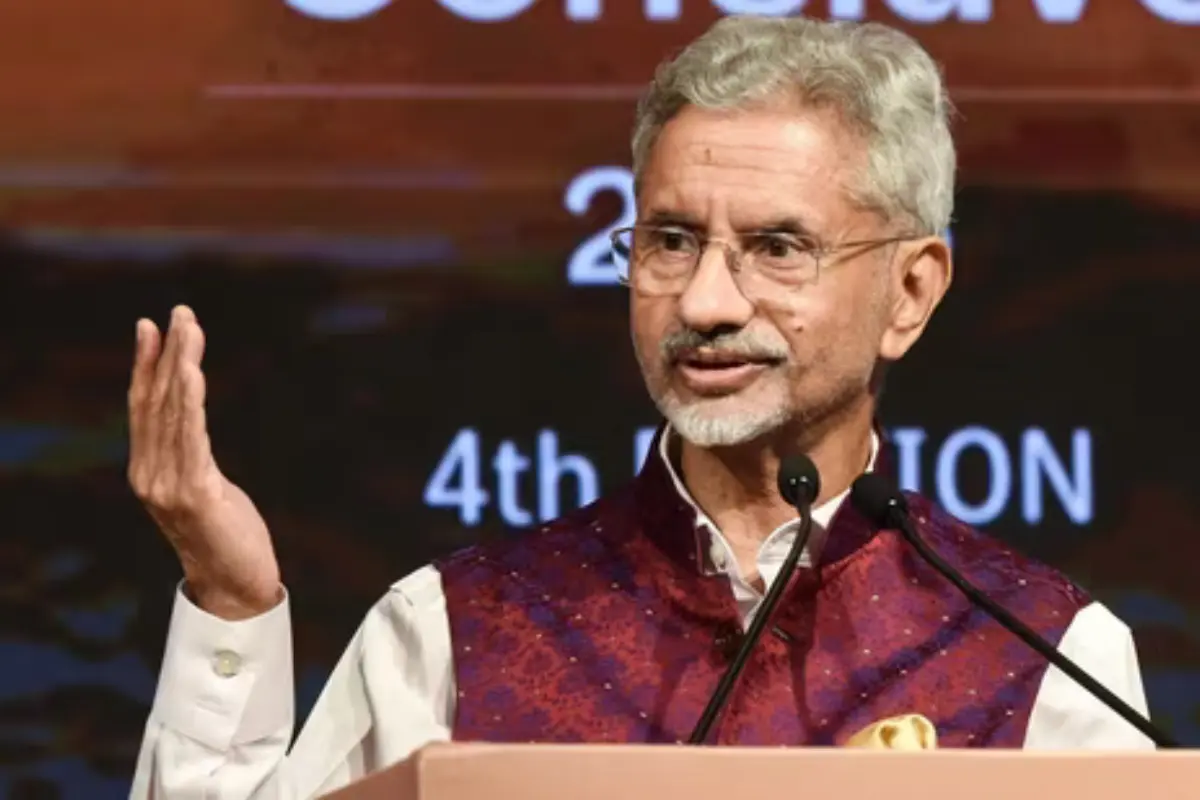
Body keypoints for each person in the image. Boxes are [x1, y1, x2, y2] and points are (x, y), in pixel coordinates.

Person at [128, 15, 1154, 800]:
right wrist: (230, 603)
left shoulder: (1049, 656)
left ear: (911, 292)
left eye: (777, 248)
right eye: (670, 240)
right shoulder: (454, 628)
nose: (704, 303)